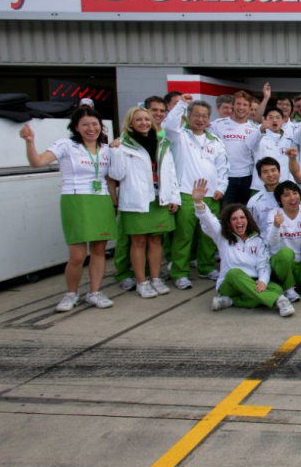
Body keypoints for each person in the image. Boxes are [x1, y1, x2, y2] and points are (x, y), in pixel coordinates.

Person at [20, 107, 118, 311]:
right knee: (77, 255)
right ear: (76, 127)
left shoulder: (107, 148)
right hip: (75, 200)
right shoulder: (66, 145)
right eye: (85, 125)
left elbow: (109, 179)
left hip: (101, 201)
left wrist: (114, 203)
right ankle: (71, 294)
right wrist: (30, 143)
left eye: (95, 124)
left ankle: (95, 292)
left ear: (101, 126)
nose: (91, 128)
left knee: (99, 250)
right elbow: (37, 162)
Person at [190, 178, 295, 317]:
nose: (239, 221)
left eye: (242, 218)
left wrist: (263, 281)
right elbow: (208, 220)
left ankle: (231, 301)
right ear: (228, 222)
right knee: (234, 273)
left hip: (252, 281)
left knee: (276, 288)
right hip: (230, 284)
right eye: (234, 219)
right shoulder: (222, 236)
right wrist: (199, 203)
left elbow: (263, 264)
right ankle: (278, 300)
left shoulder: (258, 239)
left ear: (248, 219)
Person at [108, 106, 179, 299]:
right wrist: (115, 152)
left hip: (159, 198)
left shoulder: (162, 142)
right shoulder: (122, 145)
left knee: (156, 240)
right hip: (136, 200)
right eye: (139, 120)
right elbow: (116, 175)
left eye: (147, 120)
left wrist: (174, 197)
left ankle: (155, 278)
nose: (144, 123)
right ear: (130, 123)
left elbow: (171, 172)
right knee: (138, 241)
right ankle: (142, 281)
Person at [162, 95, 229, 290]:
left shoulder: (215, 140)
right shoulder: (179, 136)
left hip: (211, 195)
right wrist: (181, 104)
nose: (200, 119)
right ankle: (180, 272)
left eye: (205, 116)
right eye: (196, 115)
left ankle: (206, 267)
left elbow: (223, 167)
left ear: (209, 118)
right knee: (184, 236)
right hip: (186, 193)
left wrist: (221, 188)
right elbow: (168, 125)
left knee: (209, 235)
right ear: (188, 116)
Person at [266, 180, 301, 302]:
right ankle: (289, 288)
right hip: (280, 260)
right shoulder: (274, 214)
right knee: (287, 253)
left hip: (298, 262)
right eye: (286, 195)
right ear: (279, 200)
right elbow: (271, 243)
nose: (292, 198)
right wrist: (276, 226)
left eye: (295, 193)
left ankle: (289, 283)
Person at [210, 90, 260, 206]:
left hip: (247, 178)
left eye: (245, 105)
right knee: (227, 213)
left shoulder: (255, 128)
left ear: (249, 107)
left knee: (245, 214)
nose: (241, 107)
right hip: (225, 178)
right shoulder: (217, 124)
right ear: (233, 105)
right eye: (238, 104)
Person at [246, 157, 282, 225]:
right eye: (265, 172)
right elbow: (250, 227)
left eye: (273, 170)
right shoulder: (254, 201)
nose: (270, 175)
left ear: (279, 172)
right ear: (260, 176)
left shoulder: (292, 195)